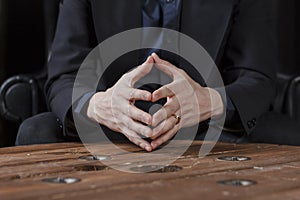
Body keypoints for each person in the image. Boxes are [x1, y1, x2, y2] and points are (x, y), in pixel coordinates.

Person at [16, 0, 280, 149]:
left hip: (204, 128)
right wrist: (101, 105)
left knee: (287, 135)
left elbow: (258, 77)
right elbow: (64, 75)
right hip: (114, 128)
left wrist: (207, 101)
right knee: (36, 132)